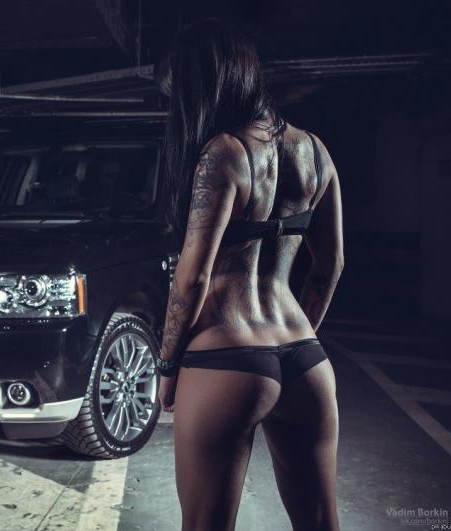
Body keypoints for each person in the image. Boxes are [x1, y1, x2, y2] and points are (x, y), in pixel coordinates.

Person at [155, 19, 344, 531]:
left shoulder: (223, 152)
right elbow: (330, 265)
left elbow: (192, 278)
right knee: (321, 523)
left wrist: (167, 366)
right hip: (305, 357)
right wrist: (300, 339)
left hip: (226, 355)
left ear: (203, 84)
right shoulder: (316, 150)